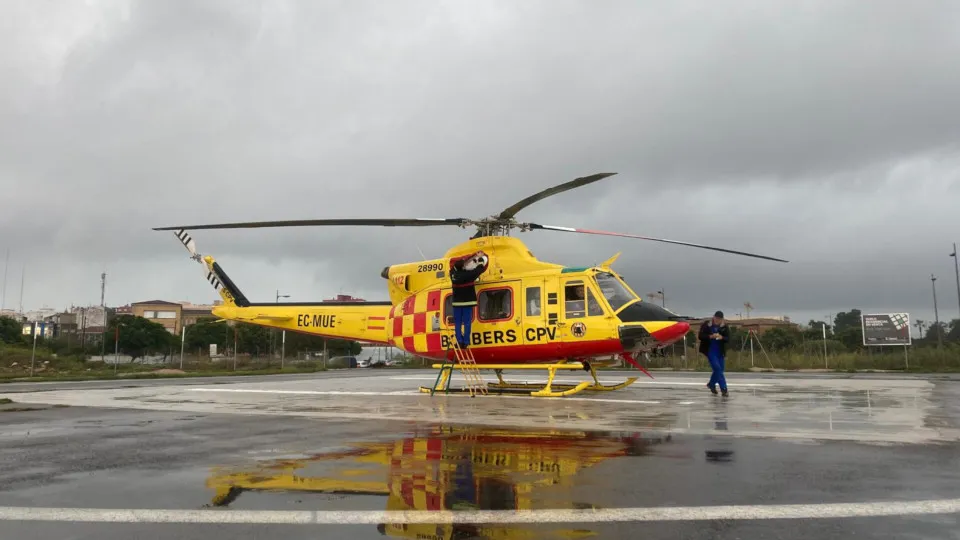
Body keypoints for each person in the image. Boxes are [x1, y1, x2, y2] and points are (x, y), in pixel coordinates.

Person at [449, 251, 489, 348]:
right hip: (467, 302)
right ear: (463, 267)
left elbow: (456, 268)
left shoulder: (452, 274)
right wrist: (480, 260)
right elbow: (478, 270)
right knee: (467, 323)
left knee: (457, 323)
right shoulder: (468, 275)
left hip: (457, 303)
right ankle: (465, 342)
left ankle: (459, 340)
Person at [699, 310, 730, 396]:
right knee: (717, 369)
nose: (717, 320)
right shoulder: (707, 324)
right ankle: (724, 389)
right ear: (714, 317)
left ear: (722, 319)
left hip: (720, 351)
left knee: (720, 370)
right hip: (710, 351)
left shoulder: (724, 326)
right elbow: (700, 336)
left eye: (719, 319)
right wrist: (710, 336)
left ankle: (711, 384)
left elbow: (728, 338)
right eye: (716, 318)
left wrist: (722, 337)